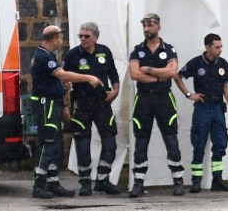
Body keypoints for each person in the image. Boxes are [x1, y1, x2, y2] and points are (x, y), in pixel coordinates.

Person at [29, 26, 102, 199]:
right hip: (45, 105)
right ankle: (38, 185)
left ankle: (53, 182)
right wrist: (88, 77)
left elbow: (54, 81)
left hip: (54, 103)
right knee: (47, 143)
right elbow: (62, 75)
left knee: (55, 144)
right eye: (61, 38)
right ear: (54, 38)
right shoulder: (43, 56)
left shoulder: (49, 55)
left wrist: (63, 102)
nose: (62, 41)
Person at [127, 13, 184, 198]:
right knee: (141, 139)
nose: (146, 29)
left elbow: (172, 71)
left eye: (150, 25)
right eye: (144, 25)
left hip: (164, 98)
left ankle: (178, 181)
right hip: (143, 98)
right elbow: (134, 74)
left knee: (171, 138)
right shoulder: (137, 50)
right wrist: (160, 76)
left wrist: (150, 70)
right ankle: (138, 183)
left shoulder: (169, 49)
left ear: (158, 26)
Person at [62, 22, 121, 196]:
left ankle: (102, 179)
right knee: (82, 142)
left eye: (86, 36)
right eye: (81, 36)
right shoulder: (73, 54)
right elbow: (63, 78)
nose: (83, 39)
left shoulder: (104, 51)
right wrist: (65, 103)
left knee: (110, 140)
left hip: (102, 103)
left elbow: (113, 73)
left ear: (95, 37)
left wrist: (115, 91)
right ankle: (85, 181)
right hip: (82, 104)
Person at [177, 33, 228, 193]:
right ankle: (196, 181)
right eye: (217, 47)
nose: (220, 50)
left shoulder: (222, 63)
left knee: (220, 144)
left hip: (218, 107)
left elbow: (225, 86)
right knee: (199, 144)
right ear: (207, 47)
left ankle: (217, 180)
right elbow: (178, 76)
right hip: (203, 107)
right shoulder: (197, 63)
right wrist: (189, 94)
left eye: (221, 46)